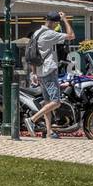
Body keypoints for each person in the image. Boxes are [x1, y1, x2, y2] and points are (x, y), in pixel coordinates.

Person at [25, 11, 74, 139]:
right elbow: (71, 35)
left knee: (47, 102)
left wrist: (34, 73)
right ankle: (32, 119)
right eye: (57, 22)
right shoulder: (49, 33)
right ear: (55, 22)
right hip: (49, 71)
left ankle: (49, 131)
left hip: (40, 72)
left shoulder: (36, 33)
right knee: (56, 102)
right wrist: (65, 19)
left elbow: (32, 54)